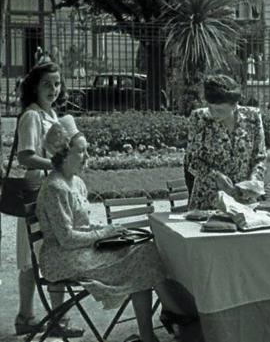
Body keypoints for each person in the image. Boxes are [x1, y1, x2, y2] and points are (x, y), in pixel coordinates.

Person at [36, 115, 189, 342]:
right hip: (62, 258)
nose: (87, 156)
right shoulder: (55, 188)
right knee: (142, 259)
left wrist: (113, 230)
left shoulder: (75, 182)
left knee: (144, 250)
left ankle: (168, 320)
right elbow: (66, 238)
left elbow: (83, 226)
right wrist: (104, 234)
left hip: (79, 249)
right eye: (81, 151)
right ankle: (177, 316)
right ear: (63, 155)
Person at [11, 61, 84, 338]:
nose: (54, 89)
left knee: (48, 251)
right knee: (40, 254)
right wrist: (57, 164)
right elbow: (25, 156)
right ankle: (39, 317)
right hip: (39, 191)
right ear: (35, 86)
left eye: (57, 83)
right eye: (47, 84)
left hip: (53, 190)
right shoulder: (32, 116)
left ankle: (39, 316)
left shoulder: (52, 114)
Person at [184, 75, 266, 209]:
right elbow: (192, 161)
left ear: (234, 105)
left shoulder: (253, 117)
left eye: (219, 110)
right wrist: (215, 176)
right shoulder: (199, 118)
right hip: (208, 200)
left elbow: (260, 157)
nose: (213, 113)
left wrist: (254, 181)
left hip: (243, 200)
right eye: (210, 108)